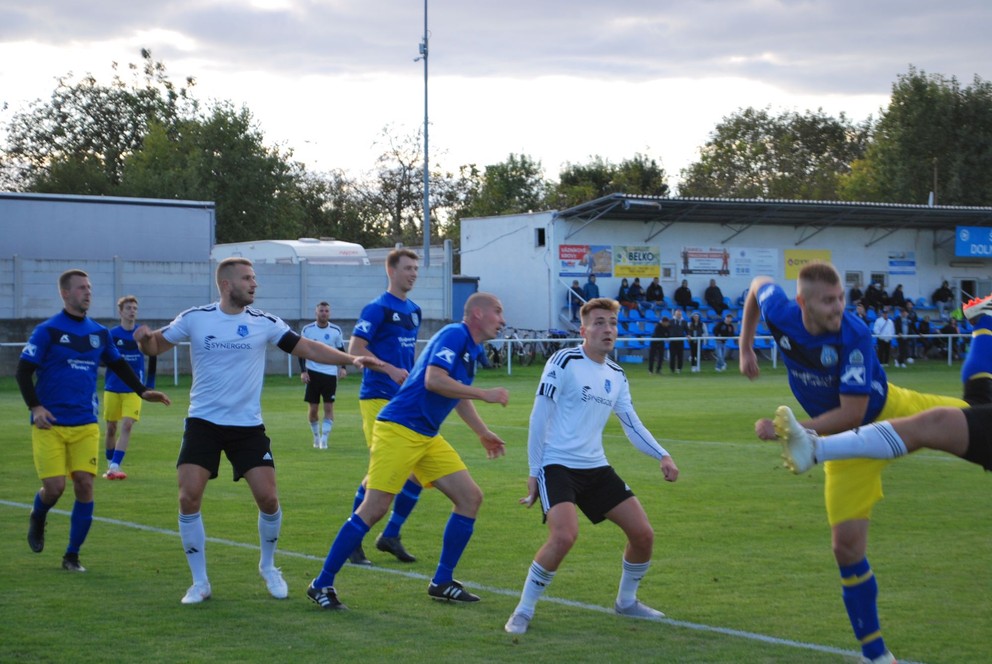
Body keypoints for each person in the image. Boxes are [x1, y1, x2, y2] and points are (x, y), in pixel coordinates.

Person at [738, 262, 992, 664]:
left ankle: (982, 321)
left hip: (892, 411)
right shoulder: (782, 312)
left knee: (982, 409)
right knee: (846, 548)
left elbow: (852, 415)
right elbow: (757, 286)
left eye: (842, 298)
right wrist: (745, 345)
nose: (839, 307)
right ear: (802, 302)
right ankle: (876, 655)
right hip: (845, 448)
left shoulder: (854, 333)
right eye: (828, 301)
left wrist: (790, 428)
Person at [134, 257, 376, 605]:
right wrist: (143, 340)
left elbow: (306, 347)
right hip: (203, 422)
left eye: (254, 278)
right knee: (188, 497)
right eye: (247, 278)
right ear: (226, 284)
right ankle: (200, 582)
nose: (254, 284)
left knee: (269, 498)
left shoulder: (264, 322)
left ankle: (268, 565)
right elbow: (156, 345)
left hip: (247, 426)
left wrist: (349, 358)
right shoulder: (196, 318)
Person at [307, 293, 509, 610]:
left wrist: (482, 432)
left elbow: (454, 392)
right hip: (399, 428)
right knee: (374, 508)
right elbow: (434, 380)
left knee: (470, 498)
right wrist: (485, 393)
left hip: (426, 434)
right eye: (498, 312)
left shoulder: (472, 347)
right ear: (478, 314)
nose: (503, 319)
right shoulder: (455, 334)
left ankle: (442, 581)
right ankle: (321, 584)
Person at [503, 297, 679, 635]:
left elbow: (631, 423)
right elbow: (538, 416)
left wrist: (663, 455)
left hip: (595, 467)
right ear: (583, 330)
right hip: (557, 465)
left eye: (612, 323)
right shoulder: (564, 360)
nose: (607, 329)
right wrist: (533, 470)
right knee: (564, 535)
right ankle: (523, 610)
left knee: (643, 535)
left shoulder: (617, 374)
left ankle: (627, 602)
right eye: (599, 323)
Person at [17, 270, 171, 573]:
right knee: (54, 488)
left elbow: (118, 363)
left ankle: (71, 556)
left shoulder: (99, 333)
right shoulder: (47, 331)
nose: (87, 292)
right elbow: (23, 371)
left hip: (85, 423)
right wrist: (35, 407)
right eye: (80, 288)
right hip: (49, 423)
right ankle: (39, 513)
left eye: (89, 288)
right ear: (64, 294)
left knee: (85, 485)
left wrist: (143, 390)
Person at [346, 247, 423, 565]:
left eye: (416, 269)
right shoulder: (376, 308)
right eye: (408, 268)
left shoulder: (415, 310)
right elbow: (355, 349)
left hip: (405, 401)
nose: (413, 273)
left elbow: (409, 357)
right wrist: (389, 369)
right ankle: (352, 540)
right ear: (391, 271)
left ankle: (391, 534)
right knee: (381, 473)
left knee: (418, 470)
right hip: (377, 399)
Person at [103, 295, 158, 480]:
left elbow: (153, 354)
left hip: (134, 389)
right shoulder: (112, 334)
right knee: (111, 428)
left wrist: (149, 385)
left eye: (134, 307)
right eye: (128, 308)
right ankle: (109, 464)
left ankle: (115, 465)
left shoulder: (140, 335)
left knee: (127, 425)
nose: (132, 310)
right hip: (112, 387)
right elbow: (103, 359)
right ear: (120, 312)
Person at [299, 301, 347, 450]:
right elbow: (301, 351)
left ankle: (324, 439)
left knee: (328, 407)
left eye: (326, 311)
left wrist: (343, 367)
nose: (324, 313)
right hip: (312, 374)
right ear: (316, 313)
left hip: (330, 374)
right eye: (321, 311)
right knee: (313, 409)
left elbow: (341, 350)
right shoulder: (307, 330)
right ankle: (316, 436)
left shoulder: (335, 330)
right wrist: (303, 371)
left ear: (329, 313)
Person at [667, 309, 688, 374]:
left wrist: (688, 334)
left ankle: (679, 368)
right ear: (675, 314)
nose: (679, 315)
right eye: (677, 314)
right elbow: (667, 329)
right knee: (672, 356)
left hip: (680, 341)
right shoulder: (671, 321)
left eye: (680, 314)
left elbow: (687, 330)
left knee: (680, 356)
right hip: (672, 341)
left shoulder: (684, 322)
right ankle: (672, 369)